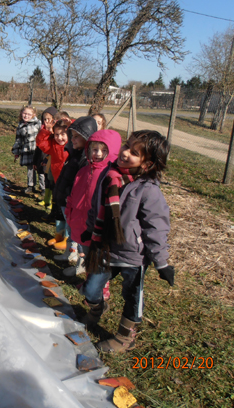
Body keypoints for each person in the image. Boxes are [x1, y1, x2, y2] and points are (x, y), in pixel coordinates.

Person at [79, 130, 173, 353]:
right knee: (91, 289)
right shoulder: (108, 175)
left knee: (132, 297)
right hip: (105, 248)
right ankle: (97, 308)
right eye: (126, 145)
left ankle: (124, 338)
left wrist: (162, 263)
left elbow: (156, 228)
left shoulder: (148, 190)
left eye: (134, 152)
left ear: (147, 164)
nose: (125, 152)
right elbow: (96, 205)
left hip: (133, 255)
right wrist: (90, 230)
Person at [63, 129, 122, 277]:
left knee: (97, 259)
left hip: (98, 226)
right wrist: (69, 212)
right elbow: (73, 194)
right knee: (84, 250)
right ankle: (84, 271)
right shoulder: (83, 171)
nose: (98, 154)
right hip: (80, 220)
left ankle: (96, 284)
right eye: (94, 149)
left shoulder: (110, 175)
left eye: (104, 150)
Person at [49, 116, 98, 251]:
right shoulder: (75, 152)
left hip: (70, 199)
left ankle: (72, 250)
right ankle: (65, 246)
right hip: (64, 196)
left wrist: (68, 195)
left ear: (86, 138)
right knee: (65, 222)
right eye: (72, 136)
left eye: (76, 137)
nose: (72, 139)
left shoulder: (85, 159)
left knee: (72, 227)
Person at [36, 109, 69, 211]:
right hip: (57, 177)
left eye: (63, 134)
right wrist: (46, 131)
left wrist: (70, 123)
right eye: (57, 135)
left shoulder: (72, 145)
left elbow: (81, 130)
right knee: (57, 198)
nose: (59, 138)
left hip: (69, 179)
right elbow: (41, 143)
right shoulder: (53, 145)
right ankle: (56, 214)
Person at [11, 105, 41, 194]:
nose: (26, 116)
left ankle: (43, 188)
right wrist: (16, 151)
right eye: (24, 113)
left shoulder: (37, 123)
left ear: (33, 115)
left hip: (37, 150)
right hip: (27, 150)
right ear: (21, 113)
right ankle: (30, 186)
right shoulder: (20, 125)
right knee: (30, 169)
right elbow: (18, 139)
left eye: (29, 114)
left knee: (40, 169)